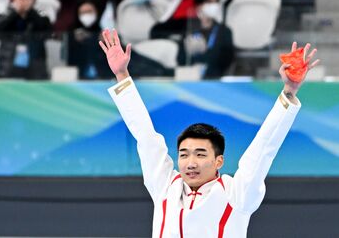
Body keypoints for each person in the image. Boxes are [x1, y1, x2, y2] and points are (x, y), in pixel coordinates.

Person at [99, 28, 319, 237]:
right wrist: (122, 75)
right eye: (183, 154)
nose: (190, 162)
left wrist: (289, 92)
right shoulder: (165, 186)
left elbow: (264, 148)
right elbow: (145, 135)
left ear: (219, 161)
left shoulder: (237, 194)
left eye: (200, 154)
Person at [0, 0, 53, 80]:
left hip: (35, 68)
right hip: (8, 67)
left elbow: (48, 30)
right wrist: (16, 12)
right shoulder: (6, 13)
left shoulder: (40, 14)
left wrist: (30, 11)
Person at [180, 0, 234, 79]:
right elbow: (180, 59)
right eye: (209, 2)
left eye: (216, 2)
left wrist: (204, 52)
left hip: (214, 77)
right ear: (199, 5)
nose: (214, 6)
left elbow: (226, 59)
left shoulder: (224, 31)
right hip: (190, 77)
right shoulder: (189, 29)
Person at [67, 0, 113, 80]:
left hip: (105, 78)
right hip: (79, 79)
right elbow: (69, 62)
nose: (87, 15)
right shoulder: (71, 36)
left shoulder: (105, 34)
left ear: (96, 13)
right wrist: (75, 42)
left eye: (89, 11)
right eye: (83, 12)